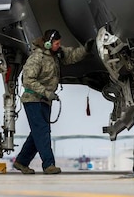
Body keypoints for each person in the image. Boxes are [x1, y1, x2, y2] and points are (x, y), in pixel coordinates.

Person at [12, 29, 90, 174]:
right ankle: (49, 164)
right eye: (56, 43)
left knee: (37, 132)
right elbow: (28, 80)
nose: (58, 46)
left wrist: (86, 49)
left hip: (45, 100)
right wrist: (46, 92)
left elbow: (72, 56)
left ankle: (21, 162)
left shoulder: (56, 54)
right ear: (48, 44)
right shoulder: (37, 58)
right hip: (33, 99)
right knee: (42, 131)